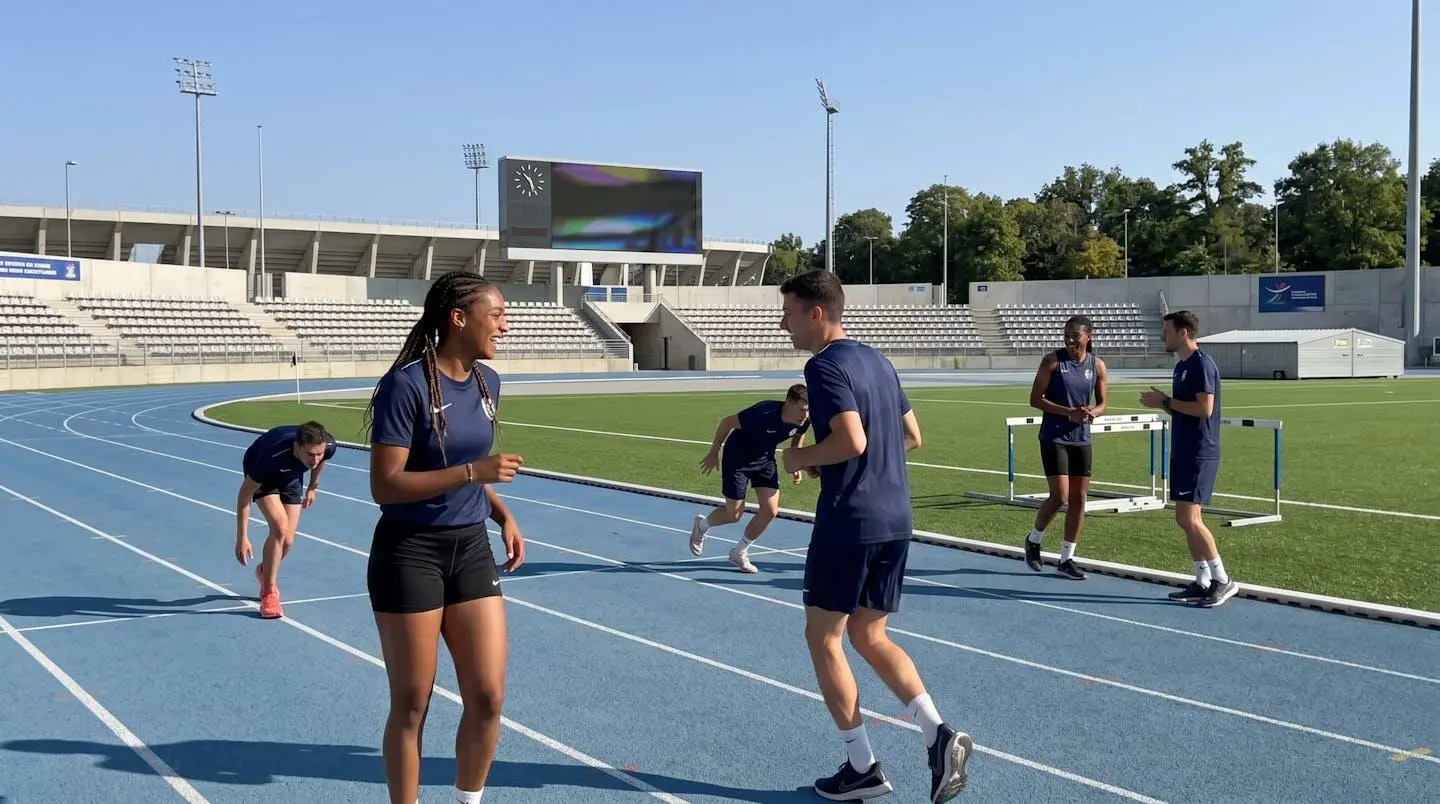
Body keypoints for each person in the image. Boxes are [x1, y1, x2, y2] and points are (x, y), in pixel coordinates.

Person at [776, 269, 972, 804]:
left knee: (824, 638)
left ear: (817, 313)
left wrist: (800, 457)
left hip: (851, 520)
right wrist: (838, 461)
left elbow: (852, 440)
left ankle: (861, 765)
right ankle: (938, 733)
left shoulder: (823, 365)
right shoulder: (878, 361)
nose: (784, 324)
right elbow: (910, 436)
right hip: (895, 517)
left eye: (789, 313)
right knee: (869, 634)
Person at [361, 270, 527, 804]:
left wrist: (500, 513)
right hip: (410, 552)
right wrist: (474, 474)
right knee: (412, 703)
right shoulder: (406, 385)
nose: (505, 326)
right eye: (496, 315)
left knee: (488, 697)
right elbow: (386, 486)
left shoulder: (488, 382)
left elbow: (467, 464)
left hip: (471, 545)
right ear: (459, 318)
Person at [1140, 309, 1238, 608]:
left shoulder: (1201, 364)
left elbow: (1205, 409)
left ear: (1183, 333)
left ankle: (1222, 579)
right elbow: (1184, 408)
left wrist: (1166, 401)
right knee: (1183, 518)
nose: (1162, 337)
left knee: (1190, 518)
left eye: (1167, 332)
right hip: (1183, 448)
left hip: (1199, 450)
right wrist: (1164, 404)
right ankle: (1202, 580)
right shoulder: (1182, 366)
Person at [689, 384, 811, 573]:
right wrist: (714, 452)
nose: (805, 415)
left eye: (808, 410)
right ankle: (702, 525)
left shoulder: (804, 420)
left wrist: (797, 460)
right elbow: (727, 422)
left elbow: (798, 436)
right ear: (788, 402)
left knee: (770, 510)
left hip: (764, 459)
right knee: (734, 515)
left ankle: (739, 552)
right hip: (737, 457)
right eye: (802, 409)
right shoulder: (762, 413)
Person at [1023, 315, 1109, 580]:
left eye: (1075, 335)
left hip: (1081, 438)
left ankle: (1066, 559)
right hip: (1054, 437)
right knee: (1060, 496)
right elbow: (1035, 399)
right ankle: (1034, 540)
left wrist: (1092, 413)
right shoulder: (1052, 362)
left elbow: (1103, 404)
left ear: (1089, 336)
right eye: (1067, 335)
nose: (1070, 340)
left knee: (1079, 499)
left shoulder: (1097, 365)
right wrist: (1068, 412)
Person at [234, 420, 337, 619]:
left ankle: (265, 570)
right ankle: (268, 593)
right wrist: (242, 537)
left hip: (291, 473)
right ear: (297, 447)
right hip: (265, 475)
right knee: (279, 528)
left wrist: (312, 487)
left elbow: (322, 460)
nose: (315, 460)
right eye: (310, 454)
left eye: (319, 453)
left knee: (288, 541)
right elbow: (244, 495)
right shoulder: (268, 456)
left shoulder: (329, 446)